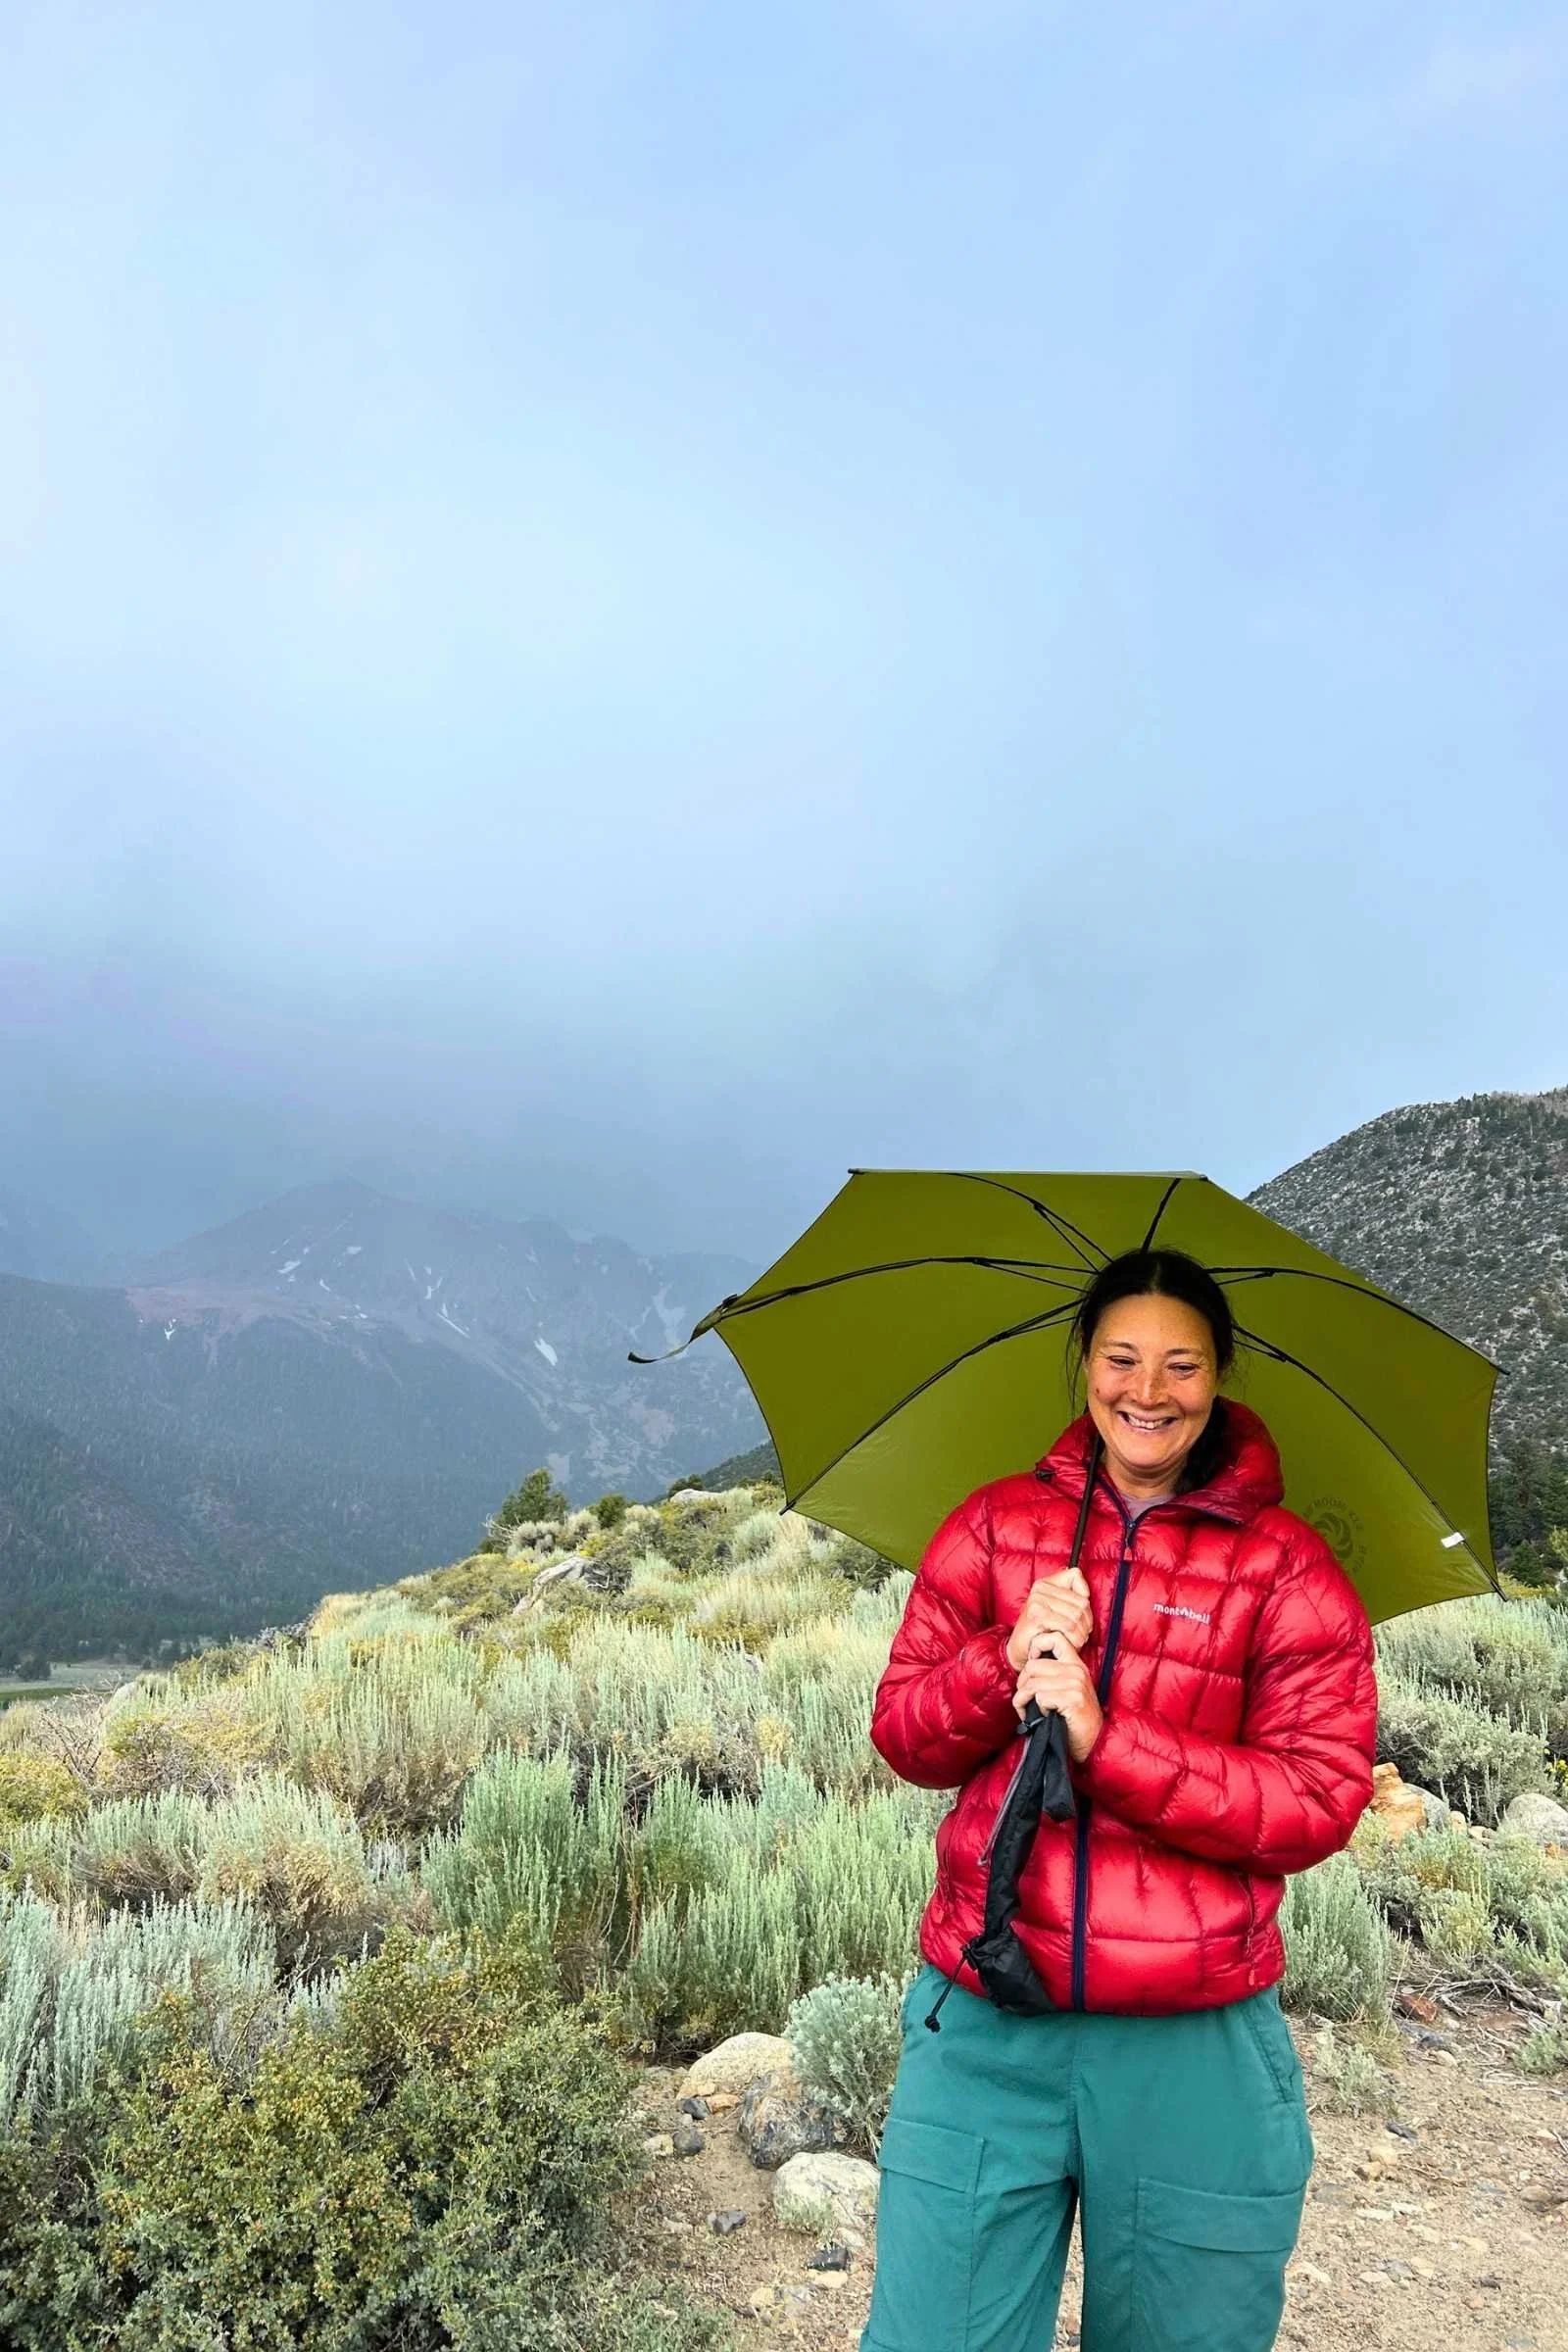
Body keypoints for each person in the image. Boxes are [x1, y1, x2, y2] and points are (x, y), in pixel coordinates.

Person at [858, 1247, 1378, 2352]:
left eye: (1181, 1365)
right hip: (987, 2019)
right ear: (1083, 1366)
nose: (1147, 1392)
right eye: (1121, 1358)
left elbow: (1317, 1798)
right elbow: (904, 1735)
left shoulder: (1287, 1571)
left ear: (1220, 1376)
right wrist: (1006, 1657)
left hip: (1192, 2044)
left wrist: (1109, 1739)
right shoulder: (994, 1527)